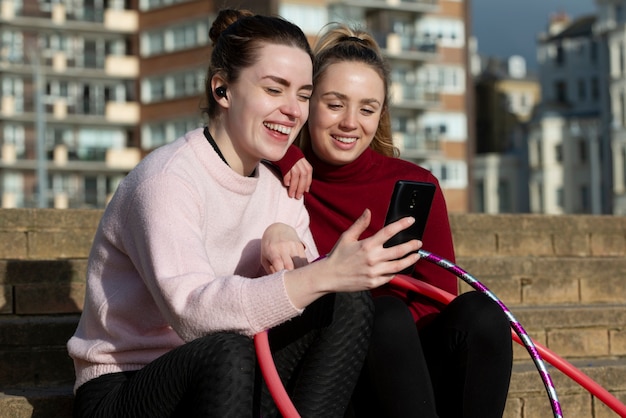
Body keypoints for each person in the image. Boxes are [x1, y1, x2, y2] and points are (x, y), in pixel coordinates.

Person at [67, 10, 423, 418]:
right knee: (228, 350)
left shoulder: (284, 189)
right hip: (128, 387)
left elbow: (302, 298)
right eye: (275, 89)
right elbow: (193, 315)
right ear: (223, 90)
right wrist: (320, 273)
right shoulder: (167, 179)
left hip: (230, 376)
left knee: (347, 304)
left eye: (304, 95)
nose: (293, 111)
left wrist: (293, 253)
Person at [274, 23, 513, 417]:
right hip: (329, 372)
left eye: (366, 109)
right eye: (335, 104)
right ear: (308, 103)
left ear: (380, 114)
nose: (351, 122)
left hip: (410, 371)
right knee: (382, 313)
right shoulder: (281, 180)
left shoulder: (416, 185)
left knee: (481, 314)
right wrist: (285, 155)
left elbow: (439, 302)